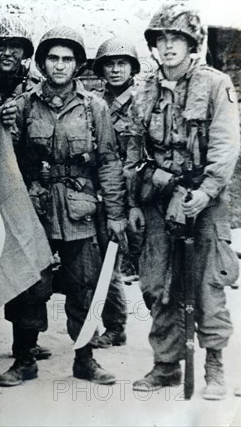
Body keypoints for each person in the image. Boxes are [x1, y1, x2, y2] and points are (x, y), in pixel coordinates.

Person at [127, 4, 240, 401]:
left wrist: (204, 193)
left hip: (204, 204)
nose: (169, 45)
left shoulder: (216, 84)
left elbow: (227, 147)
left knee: (207, 284)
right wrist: (137, 203)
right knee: (159, 284)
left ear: (193, 45)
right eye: (162, 39)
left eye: (177, 38)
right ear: (154, 46)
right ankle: (166, 364)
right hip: (160, 199)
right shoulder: (144, 91)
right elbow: (133, 151)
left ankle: (214, 365)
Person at [5, 26, 127, 386]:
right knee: (30, 287)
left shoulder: (94, 107)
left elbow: (108, 161)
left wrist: (116, 214)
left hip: (80, 210)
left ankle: (84, 360)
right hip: (36, 208)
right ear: (42, 64)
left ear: (77, 65)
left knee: (83, 286)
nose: (60, 65)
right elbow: (6, 157)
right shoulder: (24, 104)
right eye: (53, 58)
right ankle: (24, 359)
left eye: (67, 59)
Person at [0, 16, 50, 369]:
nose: (7, 53)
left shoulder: (39, 90)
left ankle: (26, 348)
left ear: (24, 53)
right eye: (0, 46)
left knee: (29, 271)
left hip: (25, 189)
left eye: (15, 47)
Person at [87, 37, 143, 349]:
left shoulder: (145, 101)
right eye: (109, 63)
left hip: (139, 195)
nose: (116, 69)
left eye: (122, 63)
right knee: (105, 261)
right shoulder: (93, 103)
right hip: (105, 193)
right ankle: (115, 325)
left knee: (149, 266)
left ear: (133, 67)